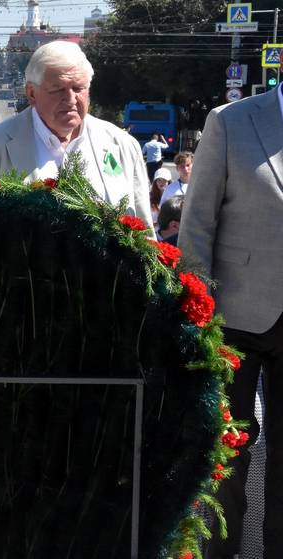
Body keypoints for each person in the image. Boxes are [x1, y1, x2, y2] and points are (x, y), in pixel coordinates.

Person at [178, 85, 283, 559]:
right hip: (234, 318)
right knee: (227, 452)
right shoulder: (231, 120)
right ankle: (223, 552)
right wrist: (196, 308)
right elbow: (197, 221)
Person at [0, 41, 152, 233]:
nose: (70, 99)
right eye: (58, 89)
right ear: (31, 93)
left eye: (78, 88)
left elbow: (144, 235)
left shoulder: (123, 145)